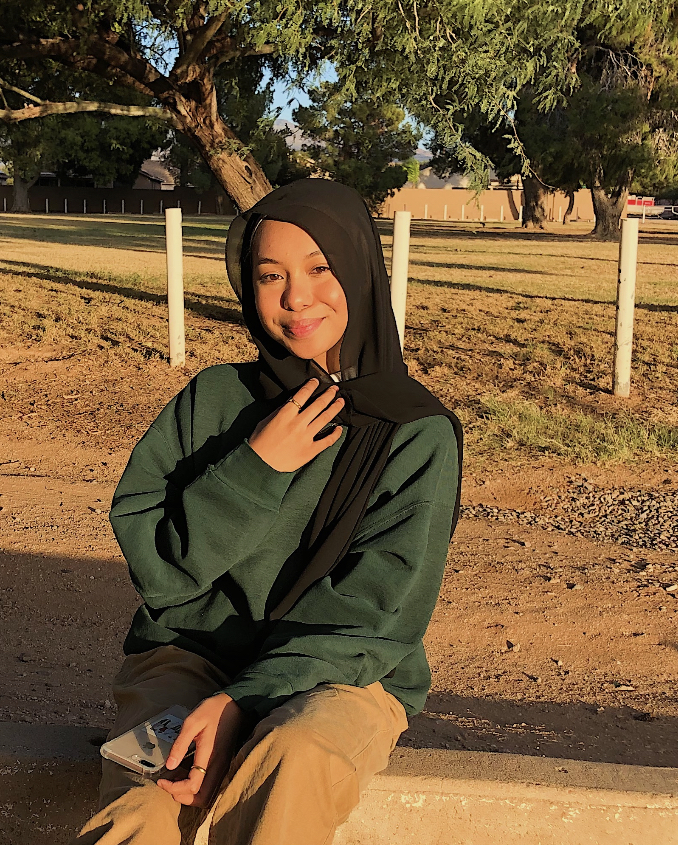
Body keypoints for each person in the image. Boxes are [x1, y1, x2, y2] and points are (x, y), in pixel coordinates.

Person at [76, 179, 462, 845]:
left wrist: (249, 700)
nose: (296, 297)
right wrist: (253, 470)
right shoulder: (215, 400)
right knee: (143, 810)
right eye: (270, 274)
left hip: (342, 672)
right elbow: (163, 574)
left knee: (293, 754)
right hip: (189, 657)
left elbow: (378, 616)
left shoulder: (416, 432)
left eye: (320, 268)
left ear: (362, 270)